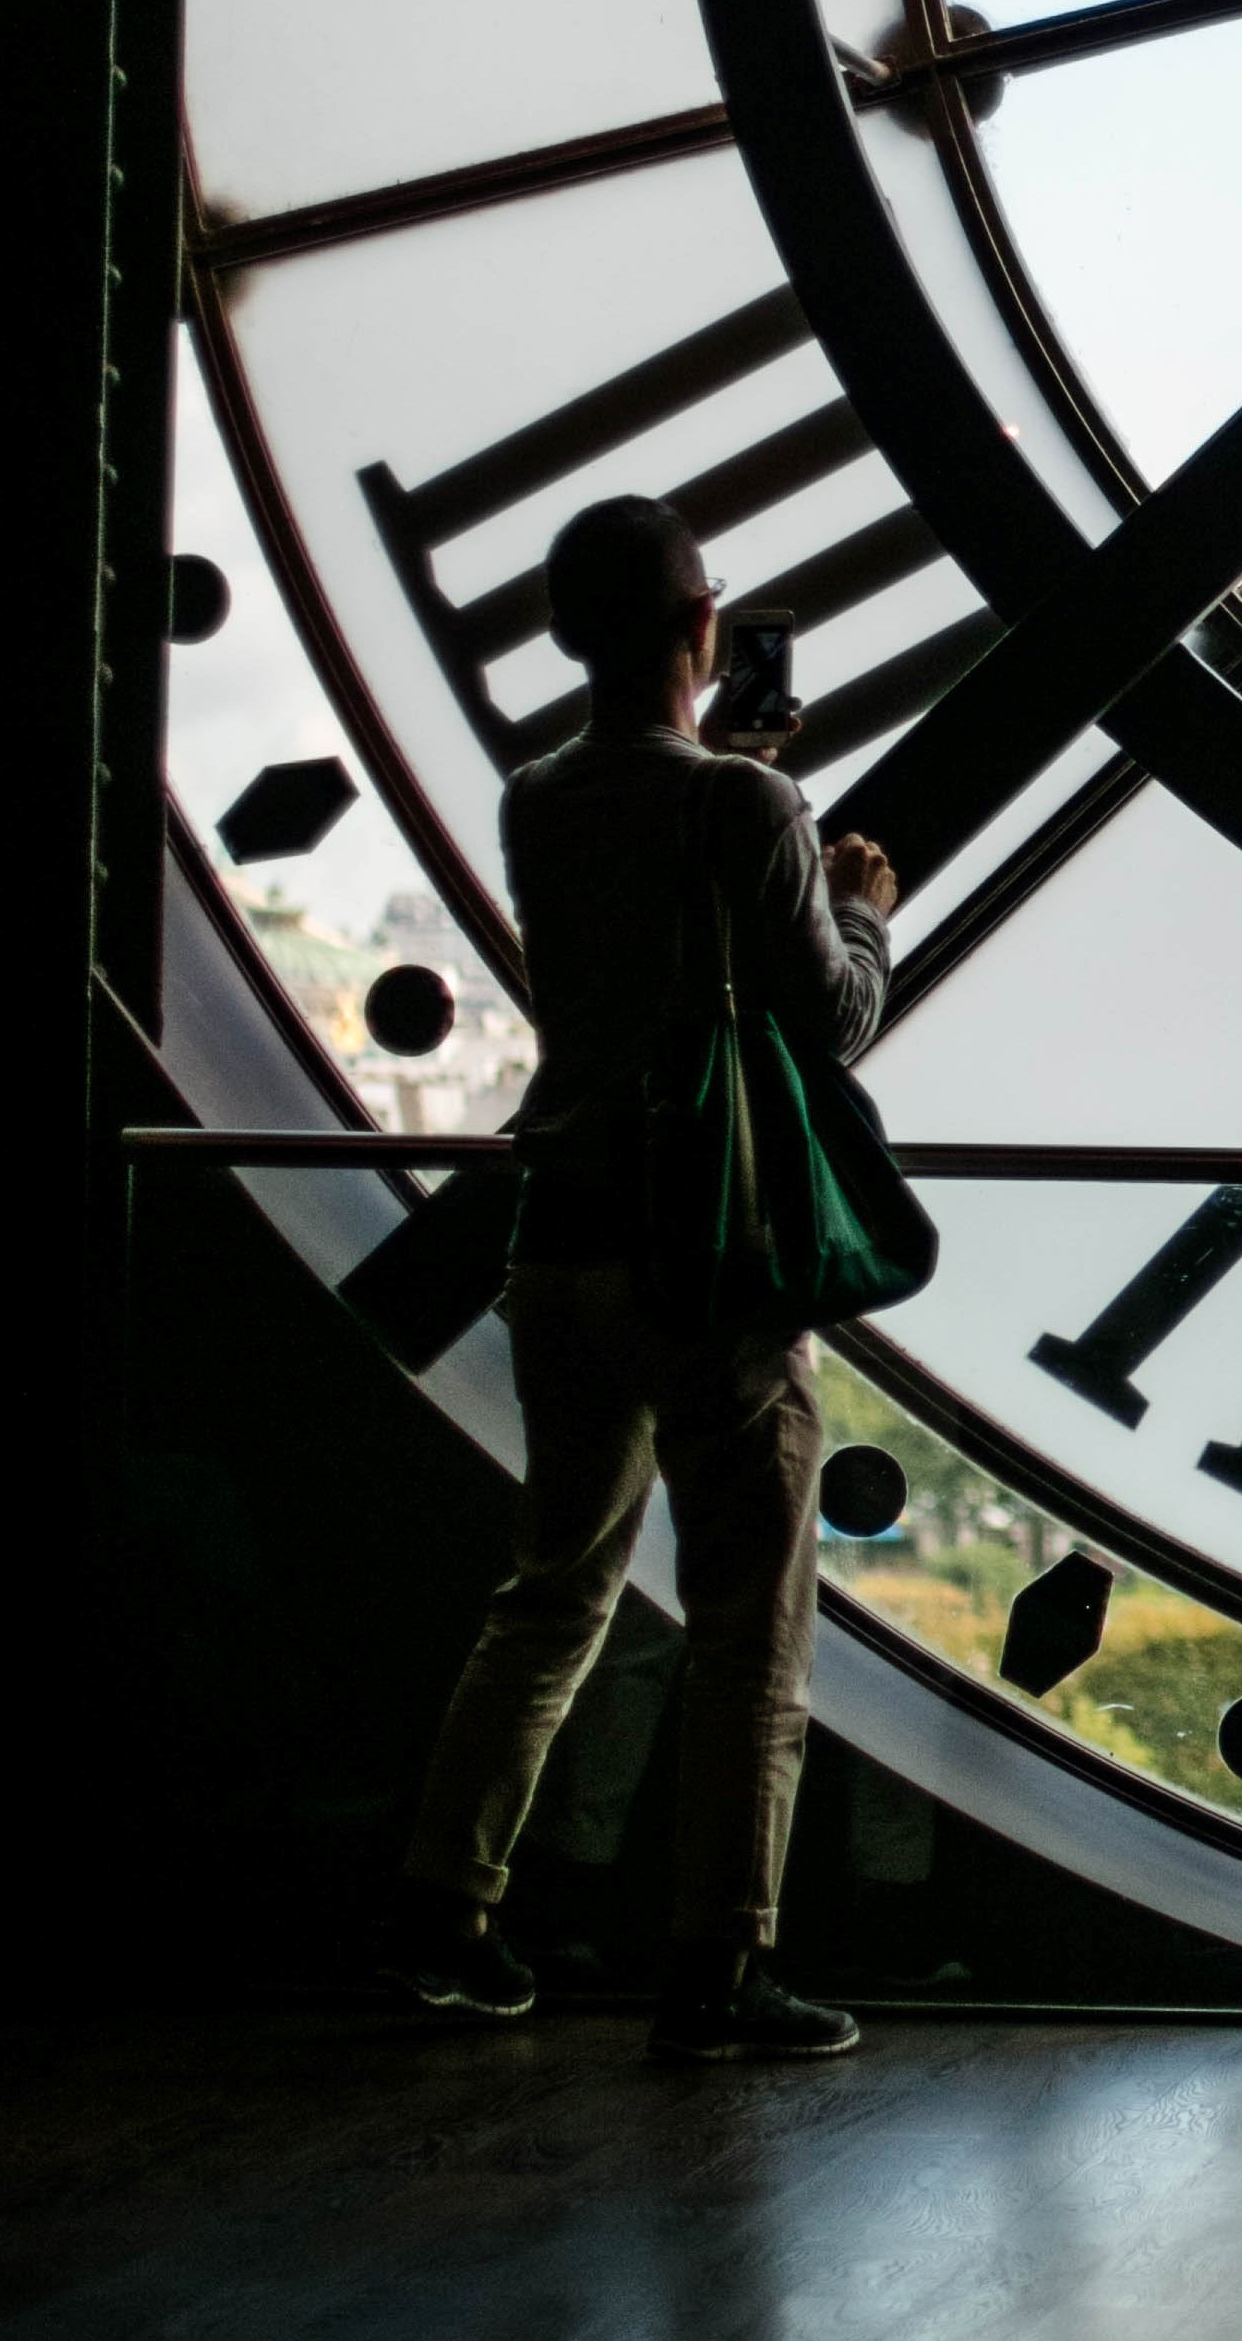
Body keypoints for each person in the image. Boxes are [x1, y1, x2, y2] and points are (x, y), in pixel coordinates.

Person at [379, 495, 899, 2062]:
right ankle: (721, 1958)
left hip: (561, 1232)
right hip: (710, 1255)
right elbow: (830, 1017)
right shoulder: (751, 816)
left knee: (556, 1589)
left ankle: (450, 1910)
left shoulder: (535, 796)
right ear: (702, 632)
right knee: (751, 1619)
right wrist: (861, 899)